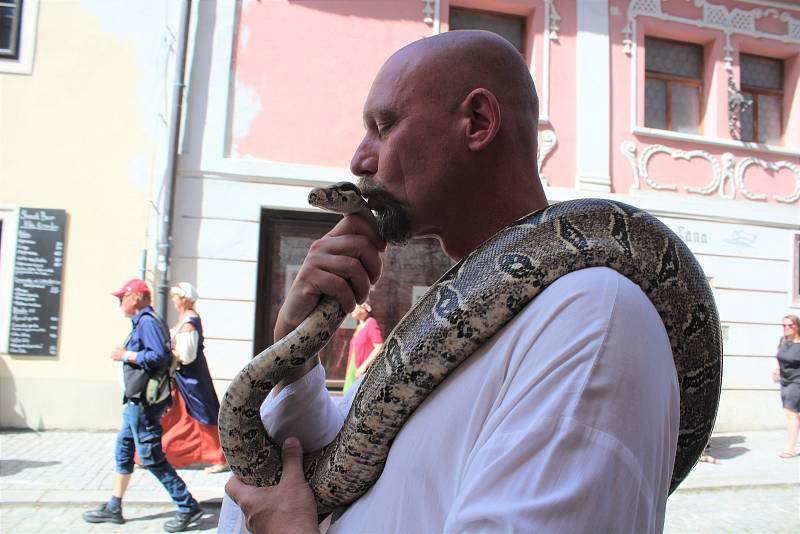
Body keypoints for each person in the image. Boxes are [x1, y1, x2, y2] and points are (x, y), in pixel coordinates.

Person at [221, 30, 680, 533]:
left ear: (478, 122)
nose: (359, 160)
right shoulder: (452, 317)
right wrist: (296, 350)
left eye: (384, 125)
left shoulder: (592, 316)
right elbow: (333, 464)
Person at [82, 278, 204, 532]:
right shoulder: (143, 321)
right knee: (124, 450)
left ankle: (187, 505)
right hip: (135, 402)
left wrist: (126, 355)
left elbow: (158, 356)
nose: (119, 302)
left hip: (144, 403)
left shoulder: (147, 322)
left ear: (135, 298)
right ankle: (115, 505)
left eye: (121, 298)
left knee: (150, 456)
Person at [158, 282, 228, 473]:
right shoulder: (184, 318)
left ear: (184, 299)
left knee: (202, 413)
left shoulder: (190, 321)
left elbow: (187, 355)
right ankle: (162, 454)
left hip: (191, 376)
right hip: (181, 376)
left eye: (175, 297)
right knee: (174, 415)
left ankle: (218, 457)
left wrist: (169, 353)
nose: (172, 300)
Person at [772, 314, 800, 458]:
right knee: (791, 414)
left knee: (791, 413)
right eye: (784, 325)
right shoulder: (783, 341)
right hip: (785, 381)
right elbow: (780, 357)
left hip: (797, 382)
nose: (786, 328)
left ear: (797, 326)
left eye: (790, 325)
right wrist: (777, 370)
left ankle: (791, 449)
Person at [341, 301, 383, 393]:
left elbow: (379, 346)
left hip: (362, 373)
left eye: (355, 306)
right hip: (353, 370)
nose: (352, 309)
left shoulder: (371, 323)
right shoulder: (360, 326)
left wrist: (363, 366)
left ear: (364, 309)